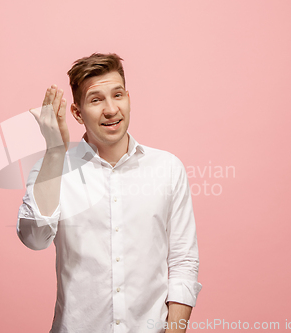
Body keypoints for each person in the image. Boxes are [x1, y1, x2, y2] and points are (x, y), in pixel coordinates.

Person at [17, 53, 202, 333]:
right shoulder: (52, 170)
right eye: (96, 100)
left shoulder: (168, 168)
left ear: (128, 97)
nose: (111, 109)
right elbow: (34, 239)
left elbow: (183, 260)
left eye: (118, 95)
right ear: (77, 113)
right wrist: (55, 152)